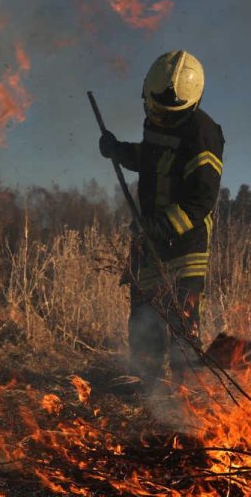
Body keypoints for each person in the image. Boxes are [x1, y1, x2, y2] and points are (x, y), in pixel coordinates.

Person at [99, 50, 224, 388]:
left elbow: (201, 201)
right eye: (156, 111)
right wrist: (120, 151)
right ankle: (148, 388)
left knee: (183, 323)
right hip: (150, 239)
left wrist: (158, 226)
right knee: (144, 314)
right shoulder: (157, 121)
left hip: (185, 244)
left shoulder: (203, 135)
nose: (160, 119)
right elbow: (151, 159)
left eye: (169, 115)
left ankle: (188, 395)